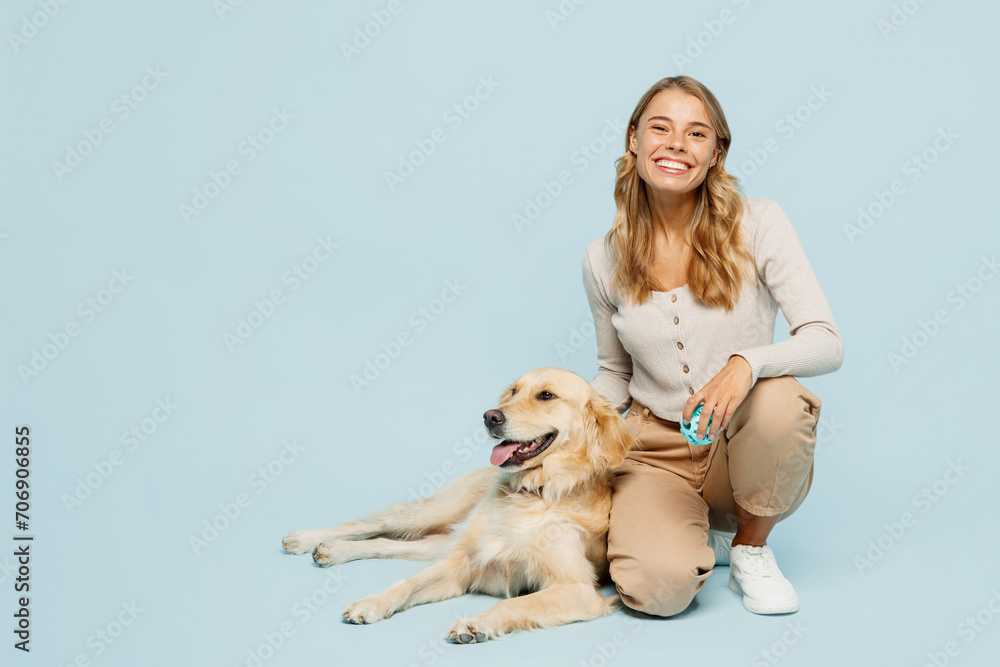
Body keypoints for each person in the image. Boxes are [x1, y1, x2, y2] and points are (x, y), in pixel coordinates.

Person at [581, 75, 843, 616]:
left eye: (696, 133)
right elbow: (613, 372)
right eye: (661, 127)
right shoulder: (601, 258)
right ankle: (694, 537)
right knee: (657, 592)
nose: (677, 143)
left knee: (779, 398)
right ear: (634, 139)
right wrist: (566, 430)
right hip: (654, 452)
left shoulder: (760, 222)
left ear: (715, 153)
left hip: (741, 447)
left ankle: (749, 545)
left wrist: (747, 363)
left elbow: (826, 342)